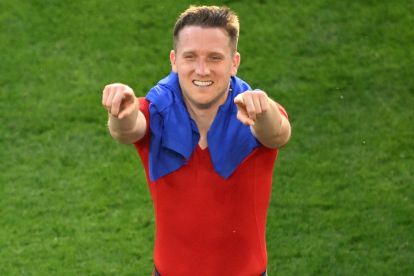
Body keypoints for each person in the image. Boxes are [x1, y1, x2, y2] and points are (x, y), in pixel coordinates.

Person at [102, 5, 291, 276]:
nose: (202, 70)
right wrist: (119, 111)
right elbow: (126, 130)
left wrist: (263, 110)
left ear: (234, 62)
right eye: (190, 57)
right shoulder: (154, 111)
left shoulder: (256, 112)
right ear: (174, 60)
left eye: (215, 58)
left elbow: (278, 134)